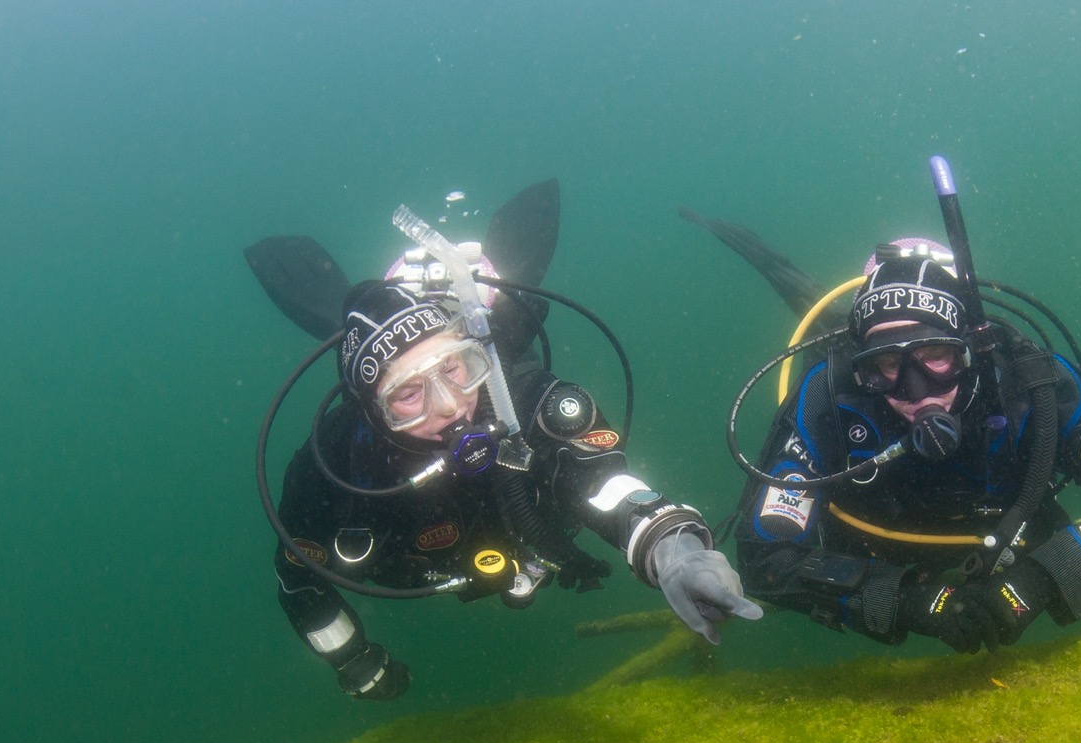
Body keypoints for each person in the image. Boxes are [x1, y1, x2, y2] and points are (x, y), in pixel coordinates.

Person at [272, 244, 758, 701]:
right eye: (407, 394)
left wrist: (671, 547)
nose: (449, 406)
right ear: (373, 413)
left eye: (455, 368)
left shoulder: (525, 405)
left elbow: (599, 482)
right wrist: (355, 661)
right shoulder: (331, 470)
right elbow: (298, 581)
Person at [735, 245, 1081, 653]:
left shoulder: (1034, 387)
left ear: (970, 349)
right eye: (886, 364)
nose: (915, 391)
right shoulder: (829, 398)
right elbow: (764, 554)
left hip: (1015, 546)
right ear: (862, 366)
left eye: (935, 355)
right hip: (872, 555)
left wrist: (1036, 581)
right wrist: (912, 602)